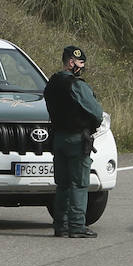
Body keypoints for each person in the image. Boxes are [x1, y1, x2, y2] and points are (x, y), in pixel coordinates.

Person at [44, 45, 104, 238]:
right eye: (80, 63)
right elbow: (96, 112)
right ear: (71, 62)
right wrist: (92, 125)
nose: (82, 67)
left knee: (62, 184)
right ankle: (77, 225)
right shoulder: (76, 85)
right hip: (77, 139)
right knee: (78, 183)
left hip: (58, 138)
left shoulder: (51, 83)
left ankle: (60, 225)